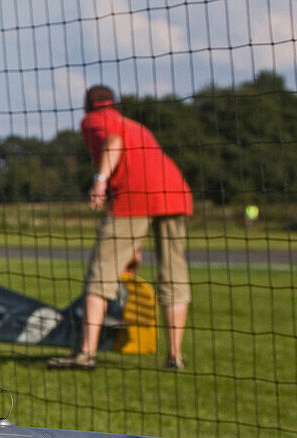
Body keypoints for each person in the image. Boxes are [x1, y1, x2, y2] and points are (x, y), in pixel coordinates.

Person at [49, 86, 193, 371]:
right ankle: (174, 357)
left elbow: (113, 143)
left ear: (87, 105)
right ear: (113, 102)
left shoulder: (94, 121)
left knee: (100, 276)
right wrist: (135, 247)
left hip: (134, 199)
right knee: (174, 277)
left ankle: (86, 353)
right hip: (175, 193)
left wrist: (100, 180)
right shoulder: (133, 124)